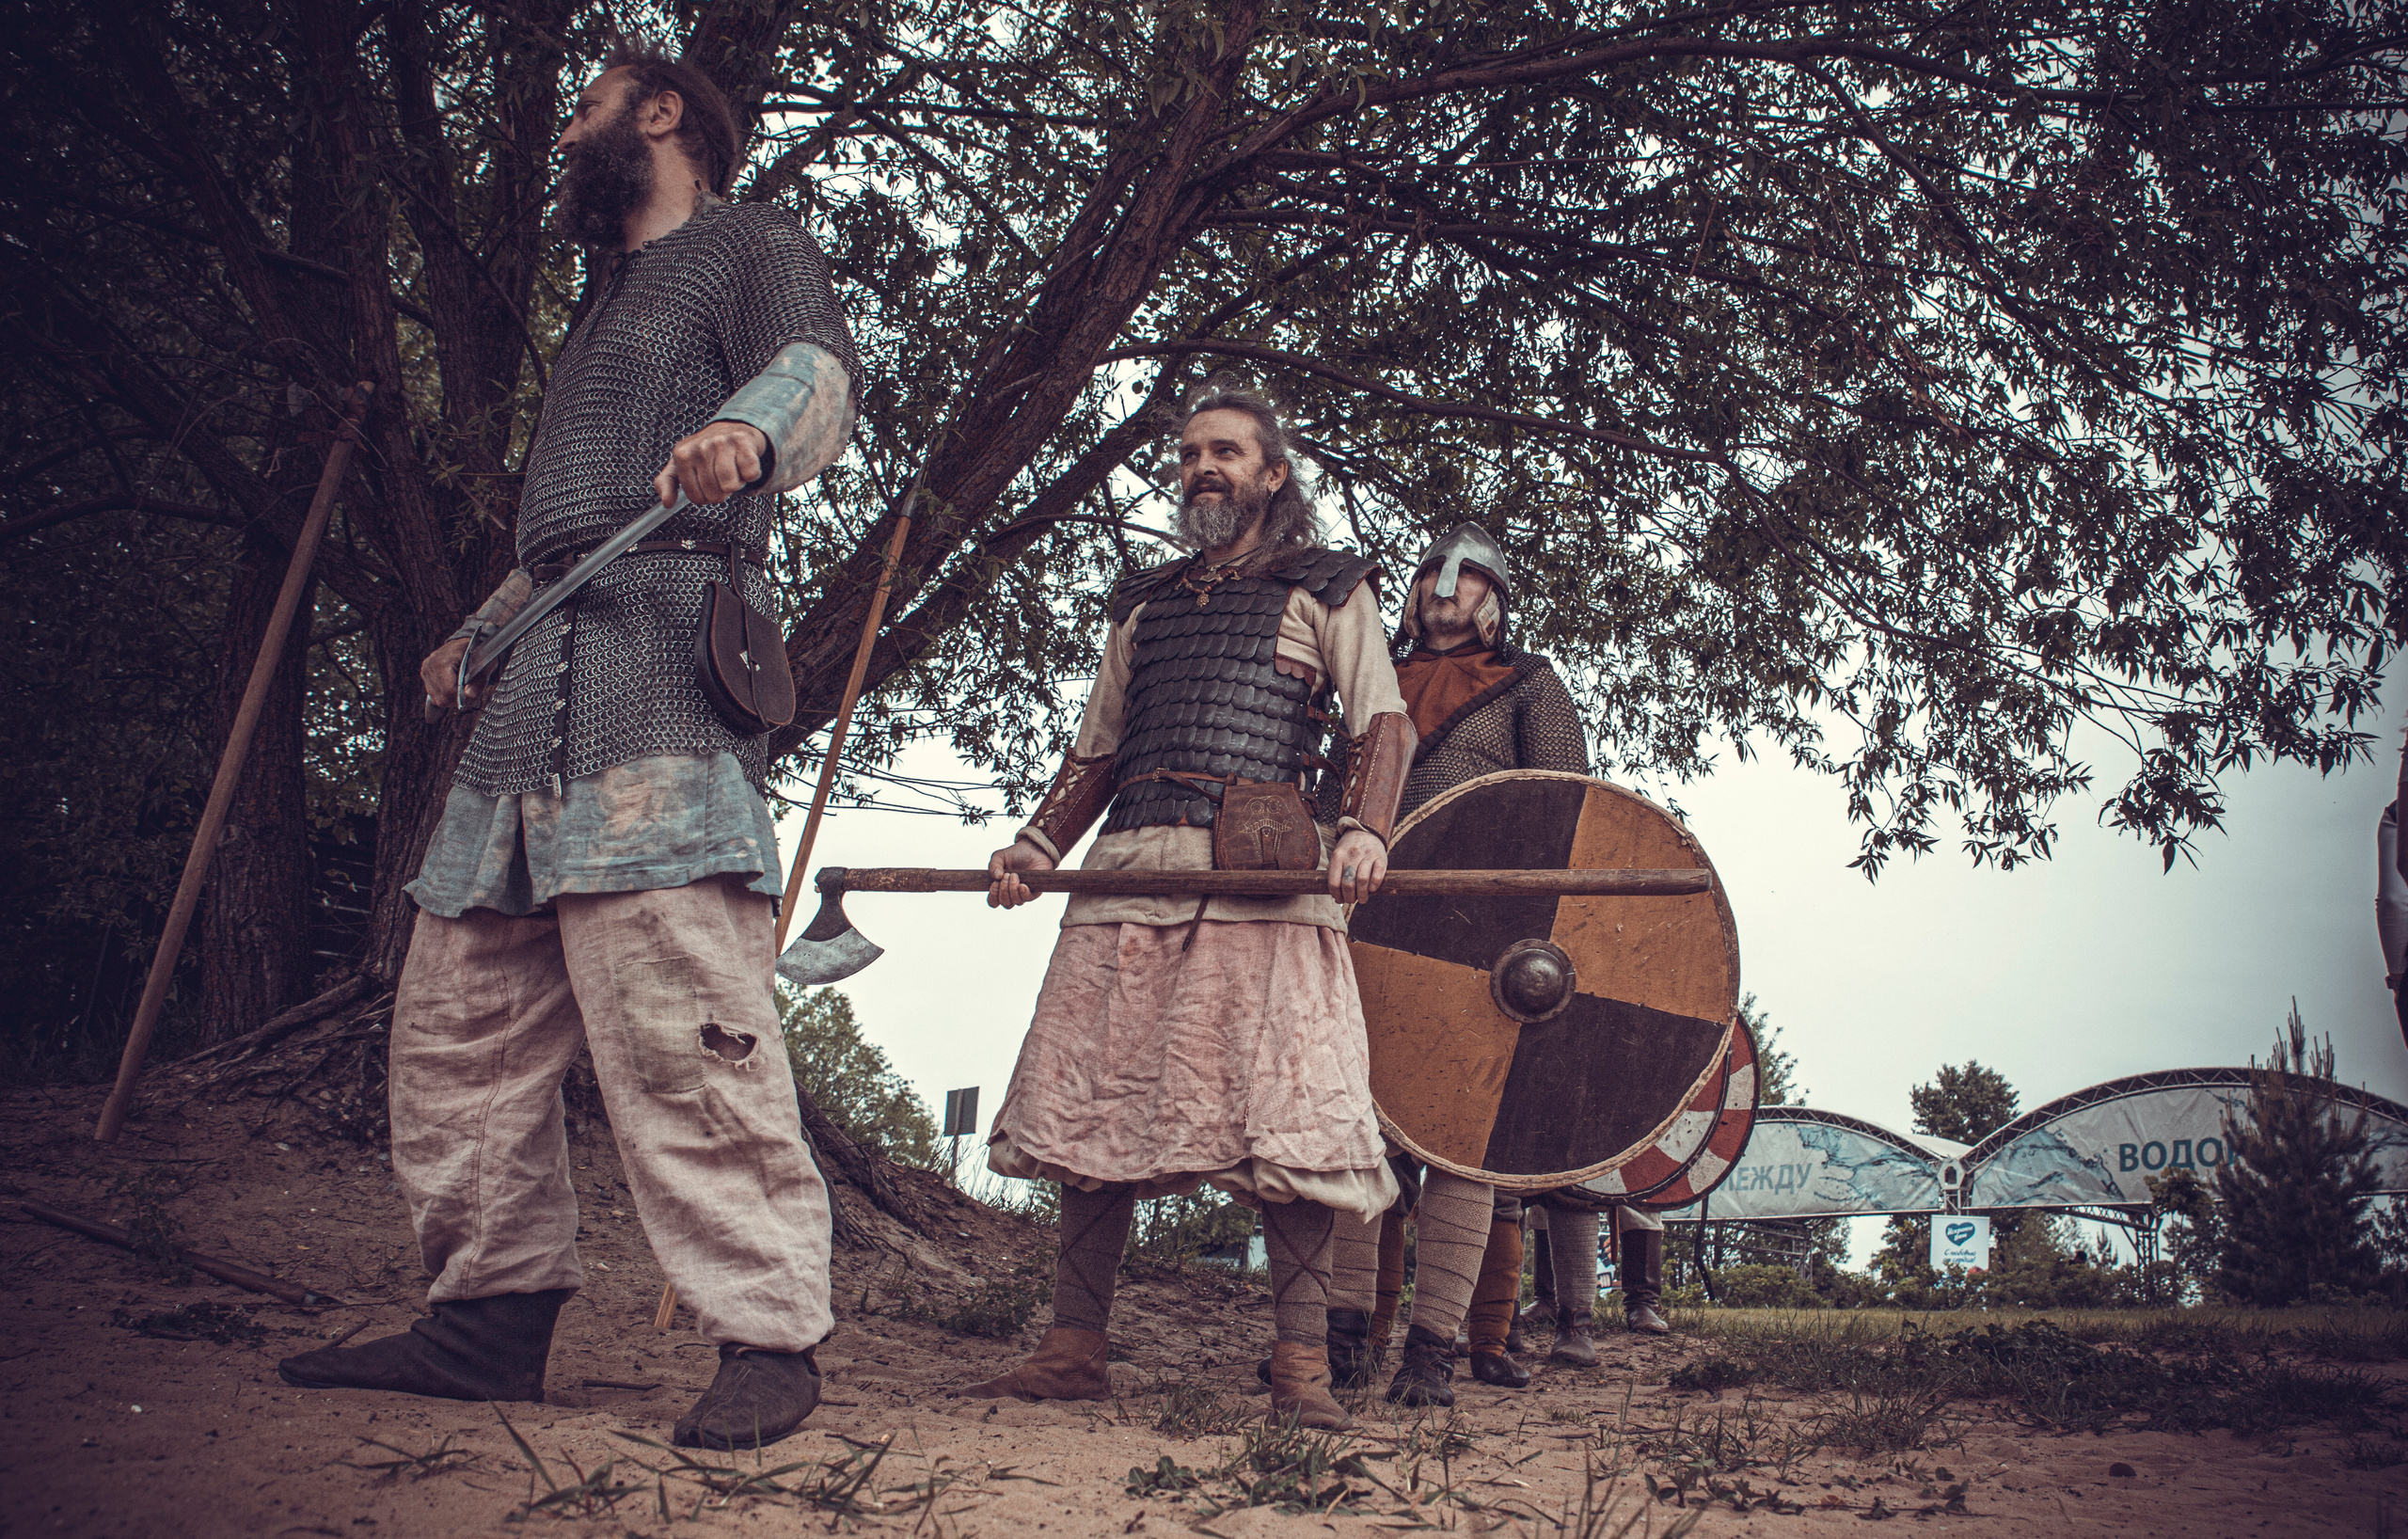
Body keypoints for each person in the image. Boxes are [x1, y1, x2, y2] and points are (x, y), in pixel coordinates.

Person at [277, 41, 862, 1452]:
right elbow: (567, 540)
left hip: (661, 680)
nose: (562, 140)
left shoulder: (745, 246)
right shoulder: (604, 311)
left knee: (684, 1027)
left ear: (660, 114)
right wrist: (478, 627)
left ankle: (770, 1335)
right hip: (531, 700)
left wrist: (747, 431)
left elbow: (824, 377)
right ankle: (485, 1320)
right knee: (458, 1031)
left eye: (585, 110)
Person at [965, 383, 1414, 1432]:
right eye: (1189, 455)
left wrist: (1363, 831)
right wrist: (1036, 845)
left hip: (1265, 882)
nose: (1202, 468)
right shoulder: (1145, 605)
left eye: (1225, 452)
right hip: (1129, 872)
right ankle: (1073, 1348)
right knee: (1091, 1103)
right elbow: (1099, 747)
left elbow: (1380, 725)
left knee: (1290, 1119)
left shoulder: (1326, 589)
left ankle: (1300, 1370)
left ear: (1271, 475)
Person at [1313, 524, 1601, 1405]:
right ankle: (1342, 1343)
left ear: (1494, 596)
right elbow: (1334, 799)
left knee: (1463, 1145)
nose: (1446, 586)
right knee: (1354, 1130)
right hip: (1367, 922)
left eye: (1469, 575)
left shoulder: (1530, 685)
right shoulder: (1371, 680)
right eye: (1434, 574)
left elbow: (1566, 811)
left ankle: (1433, 1351)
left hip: (1485, 943)